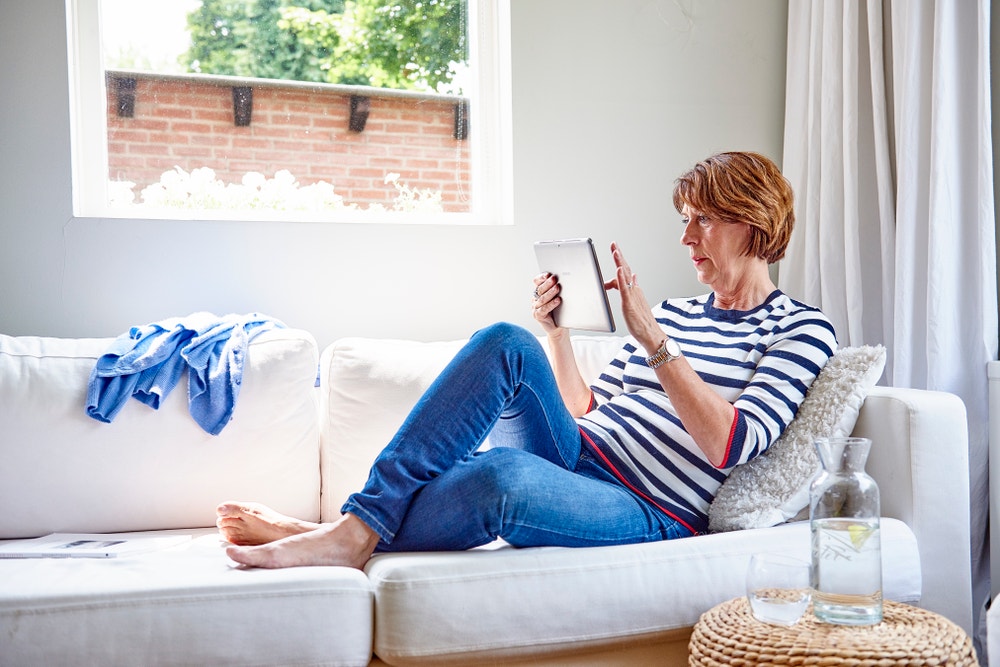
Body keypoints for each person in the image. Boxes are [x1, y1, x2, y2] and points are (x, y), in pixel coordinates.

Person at [218, 151, 837, 569]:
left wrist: (654, 341)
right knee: (505, 340)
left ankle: (330, 534)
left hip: (651, 507)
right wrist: (558, 335)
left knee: (501, 477)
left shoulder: (801, 329)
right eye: (684, 220)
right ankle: (351, 532)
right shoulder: (676, 312)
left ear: (753, 221)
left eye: (702, 219)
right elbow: (586, 409)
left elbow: (731, 445)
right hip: (579, 453)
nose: (686, 237)